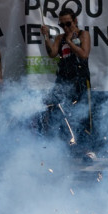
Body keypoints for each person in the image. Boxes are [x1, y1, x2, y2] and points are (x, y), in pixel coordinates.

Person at [42, 7, 92, 141]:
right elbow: (52, 53)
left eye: (68, 23)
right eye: (62, 24)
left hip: (79, 79)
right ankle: (64, 142)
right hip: (64, 79)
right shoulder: (60, 37)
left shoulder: (83, 34)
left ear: (75, 21)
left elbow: (83, 54)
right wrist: (46, 37)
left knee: (81, 113)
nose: (65, 27)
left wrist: (70, 42)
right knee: (58, 110)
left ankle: (85, 145)